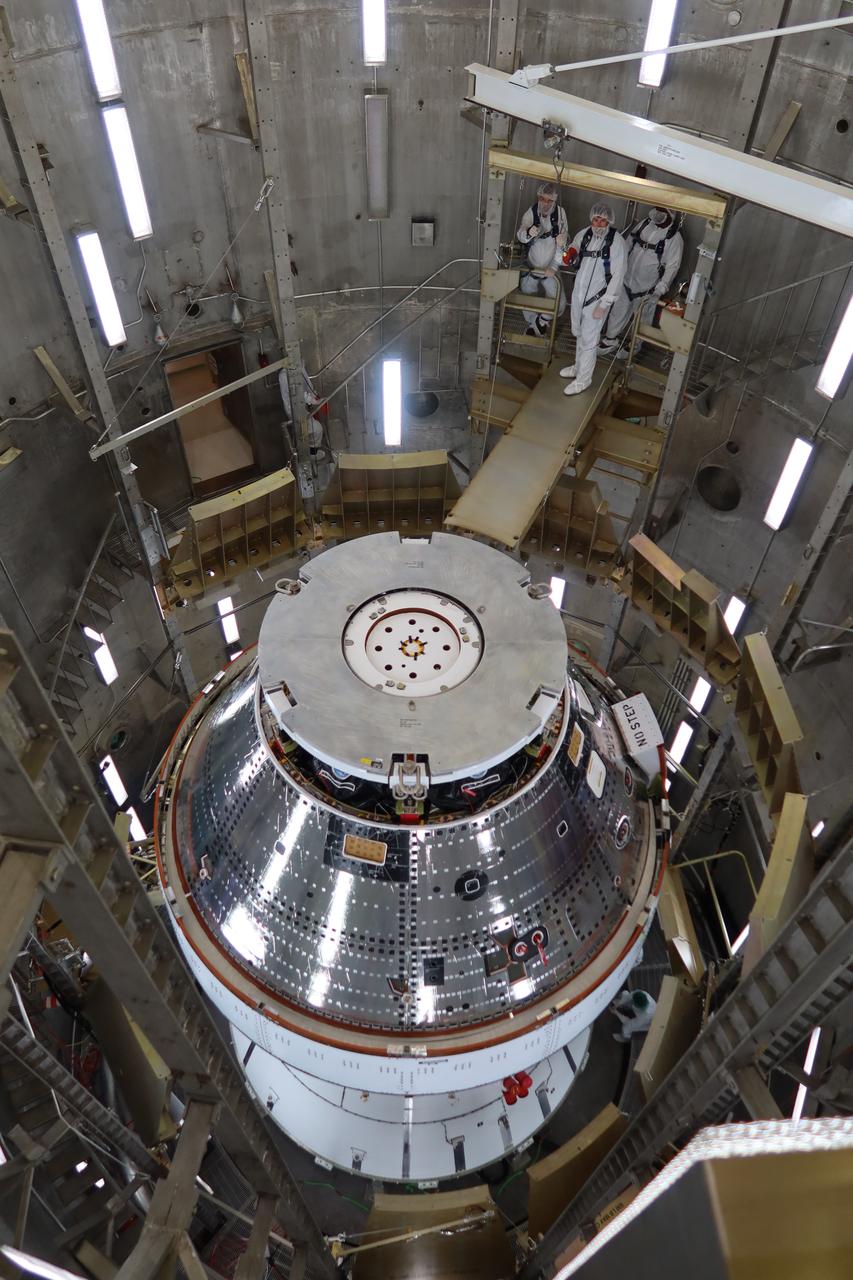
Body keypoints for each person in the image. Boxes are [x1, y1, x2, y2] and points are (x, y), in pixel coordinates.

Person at [559, 203, 627, 396]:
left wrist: (605, 303)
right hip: (580, 294)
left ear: (609, 221)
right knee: (579, 333)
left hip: (597, 299)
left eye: (603, 220)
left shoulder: (617, 242)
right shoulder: (584, 234)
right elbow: (572, 251)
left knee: (589, 340)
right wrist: (568, 249)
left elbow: (619, 274)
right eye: (596, 219)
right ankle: (578, 367)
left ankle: (583, 380)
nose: (599, 223)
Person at [600, 207, 684, 354]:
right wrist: (617, 270)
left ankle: (635, 345)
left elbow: (672, 267)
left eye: (662, 211)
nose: (658, 213)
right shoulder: (645, 224)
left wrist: (659, 290)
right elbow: (627, 246)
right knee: (617, 311)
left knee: (643, 319)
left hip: (648, 288)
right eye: (657, 209)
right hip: (627, 280)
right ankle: (610, 339)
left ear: (670, 214)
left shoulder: (674, 238)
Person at [516, 183, 569, 336]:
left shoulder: (560, 214)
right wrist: (528, 232)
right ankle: (534, 327)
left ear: (554, 200)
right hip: (531, 266)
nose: (545, 204)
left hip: (549, 269)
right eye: (542, 199)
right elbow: (521, 235)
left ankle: (541, 323)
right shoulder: (531, 212)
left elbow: (562, 246)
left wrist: (554, 266)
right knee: (526, 300)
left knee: (559, 303)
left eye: (549, 200)